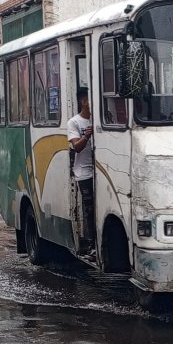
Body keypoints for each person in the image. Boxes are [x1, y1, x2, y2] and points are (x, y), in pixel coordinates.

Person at [67, 88, 94, 255]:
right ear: (83, 101)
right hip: (83, 172)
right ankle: (90, 244)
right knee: (89, 208)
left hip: (100, 171)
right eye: (91, 99)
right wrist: (86, 136)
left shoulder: (101, 118)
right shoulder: (74, 122)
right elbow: (76, 147)